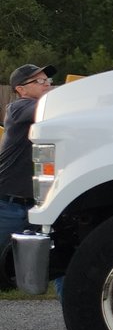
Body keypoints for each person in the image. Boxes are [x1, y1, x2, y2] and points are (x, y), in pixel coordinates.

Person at [1, 64, 55, 292]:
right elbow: (49, 110)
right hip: (6, 203)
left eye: (48, 81)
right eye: (40, 82)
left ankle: (81, 319)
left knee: (59, 262)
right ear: (21, 89)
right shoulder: (19, 108)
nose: (47, 85)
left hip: (36, 206)